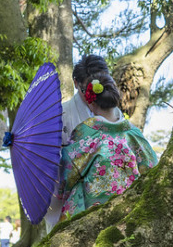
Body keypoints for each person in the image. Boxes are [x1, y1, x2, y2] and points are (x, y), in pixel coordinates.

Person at [58, 73, 158, 221]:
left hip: (93, 213)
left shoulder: (85, 133)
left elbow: (68, 174)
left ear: (90, 102)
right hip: (131, 211)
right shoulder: (134, 134)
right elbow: (152, 169)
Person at [45, 55, 124, 230]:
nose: (92, 99)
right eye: (86, 91)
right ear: (75, 83)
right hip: (75, 197)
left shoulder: (117, 114)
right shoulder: (61, 114)